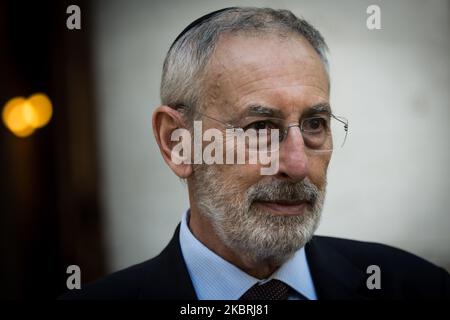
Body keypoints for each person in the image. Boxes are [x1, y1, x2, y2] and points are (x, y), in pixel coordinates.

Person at [62, 7, 450, 300]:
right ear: (177, 142)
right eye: (260, 128)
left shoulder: (417, 287)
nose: (297, 165)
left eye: (314, 124)